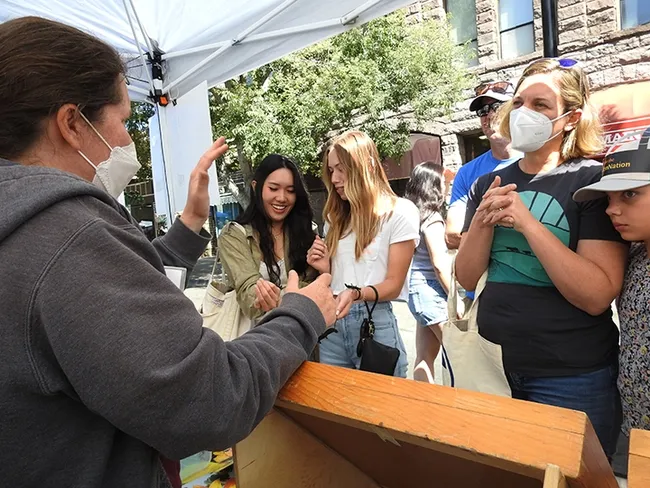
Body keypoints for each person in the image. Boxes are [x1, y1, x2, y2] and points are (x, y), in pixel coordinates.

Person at [0, 17, 336, 488]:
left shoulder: (34, 232)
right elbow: (210, 398)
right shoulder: (66, 235)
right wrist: (302, 314)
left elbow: (106, 301)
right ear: (72, 124)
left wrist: (186, 229)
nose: (126, 141)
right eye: (123, 120)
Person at [455, 58, 627, 458]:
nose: (524, 114)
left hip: (571, 376)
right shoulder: (486, 182)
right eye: (518, 102)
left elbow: (597, 294)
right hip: (492, 367)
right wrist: (481, 222)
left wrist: (530, 224)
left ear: (570, 118)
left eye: (541, 105)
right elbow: (466, 276)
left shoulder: (591, 181)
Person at [306, 130, 419, 378]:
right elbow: (341, 276)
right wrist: (325, 268)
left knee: (383, 409)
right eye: (331, 170)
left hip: (373, 320)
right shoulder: (335, 218)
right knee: (335, 411)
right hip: (332, 321)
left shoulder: (398, 212)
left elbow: (394, 283)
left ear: (364, 165)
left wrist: (358, 294)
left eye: (341, 168)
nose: (334, 178)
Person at [574, 128, 650, 439]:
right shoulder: (632, 254)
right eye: (609, 198)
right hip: (637, 425)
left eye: (630, 194)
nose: (611, 209)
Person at [219, 154, 318, 321]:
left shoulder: (307, 233)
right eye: (273, 188)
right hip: (252, 341)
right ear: (256, 187)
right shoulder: (234, 235)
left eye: (290, 191)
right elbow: (251, 300)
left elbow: (321, 289)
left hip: (301, 340)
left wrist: (323, 270)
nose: (281, 198)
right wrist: (298, 295)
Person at [445, 81, 521, 250]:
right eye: (482, 111)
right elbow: (452, 234)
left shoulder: (540, 158)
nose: (489, 115)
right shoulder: (467, 173)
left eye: (497, 106)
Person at [404, 162, 452, 383]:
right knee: (456, 353)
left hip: (416, 293)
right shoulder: (432, 219)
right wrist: (455, 298)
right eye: (444, 182)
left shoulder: (411, 216)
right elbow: (440, 264)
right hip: (431, 292)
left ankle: (423, 404)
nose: (447, 186)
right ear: (433, 185)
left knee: (424, 357)